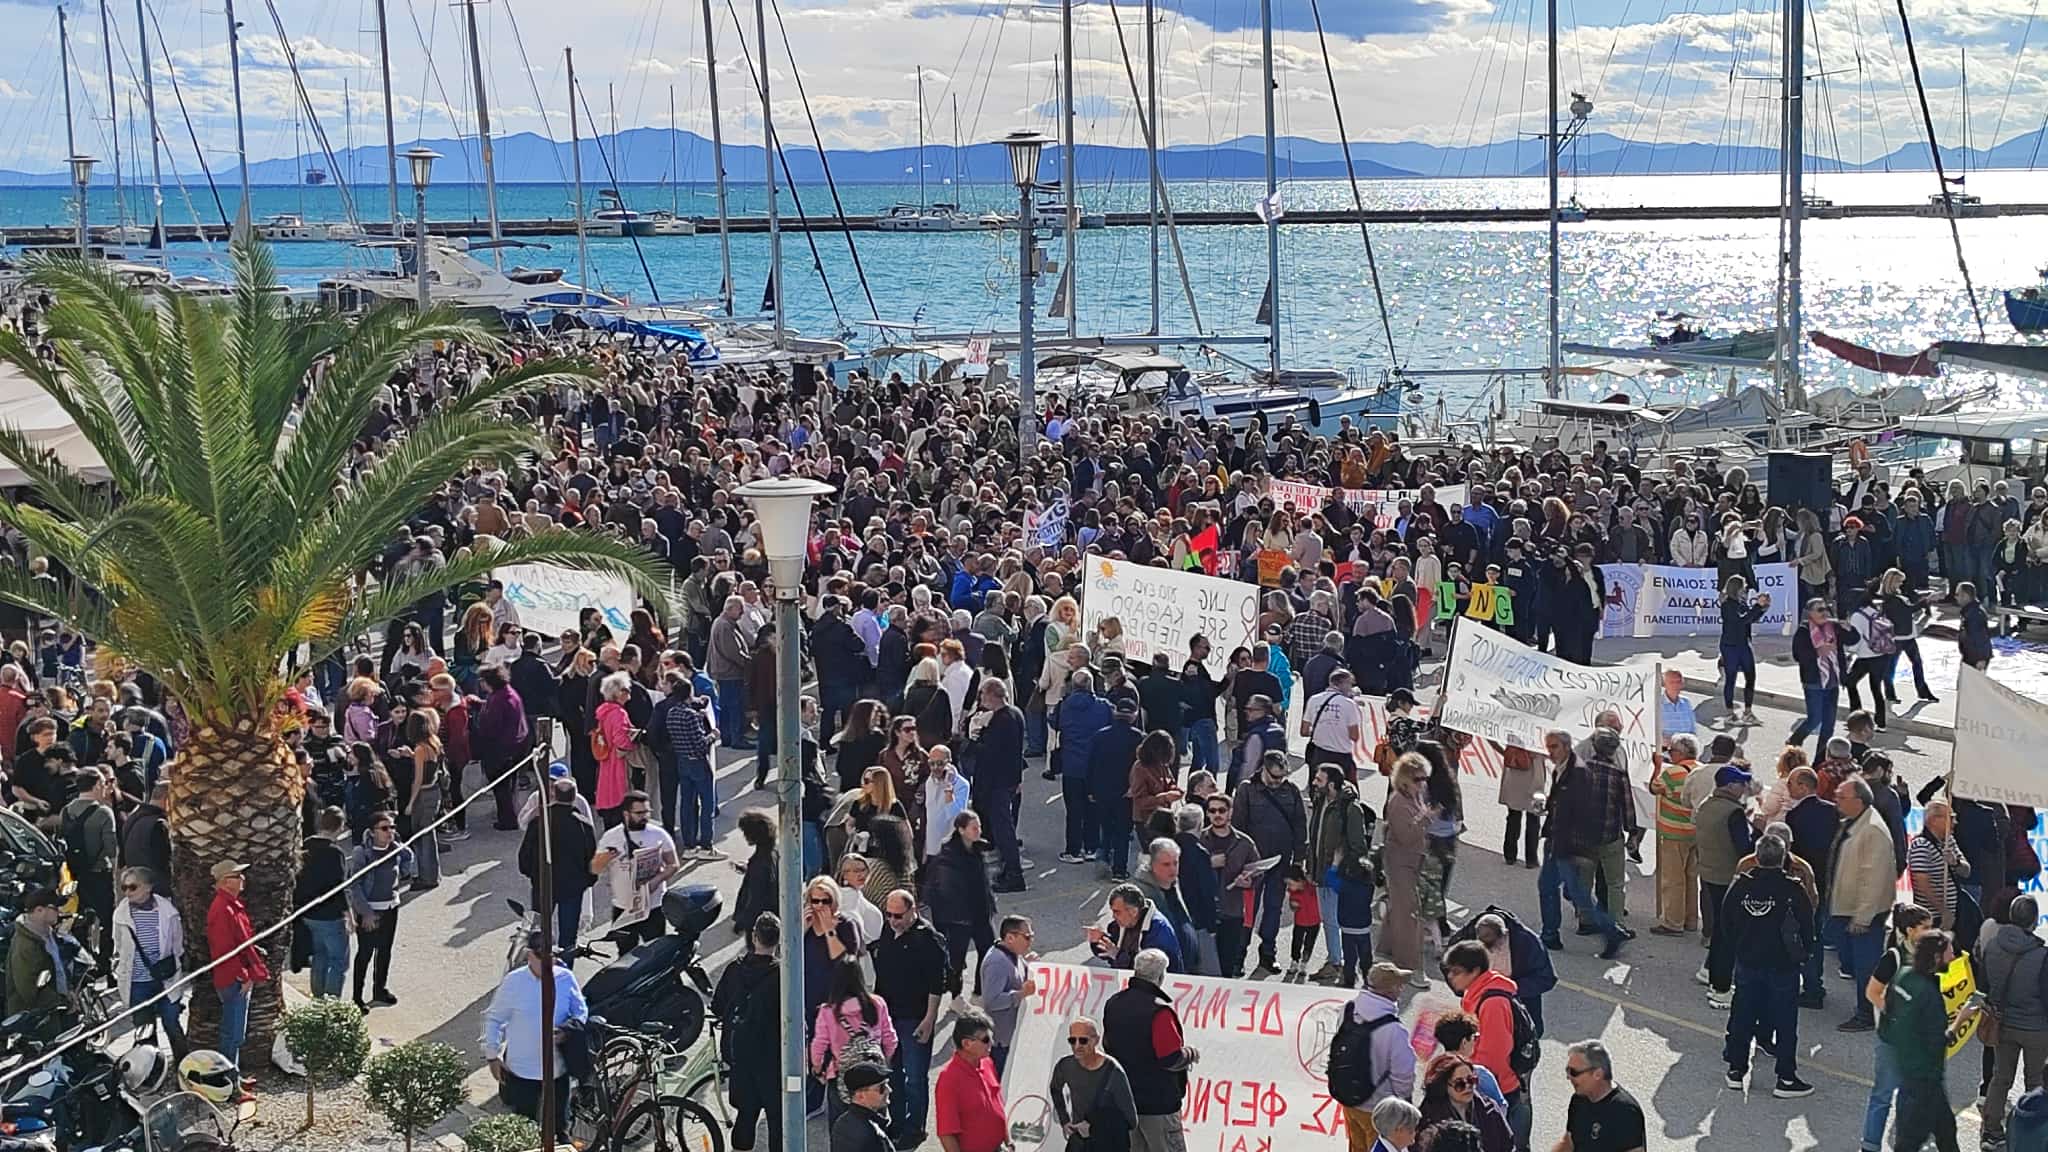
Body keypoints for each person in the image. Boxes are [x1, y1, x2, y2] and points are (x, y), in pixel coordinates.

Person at [1711, 834, 1815, 1098]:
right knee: (1785, 1021)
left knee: (1742, 1014)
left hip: (1748, 962)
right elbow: (1808, 926)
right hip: (1783, 966)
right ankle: (1785, 1077)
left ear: (1756, 858)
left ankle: (1735, 1069)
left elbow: (1725, 924)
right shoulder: (1793, 889)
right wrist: (1803, 955)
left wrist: (1741, 947)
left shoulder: (1740, 887)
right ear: (1783, 859)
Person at [482, 931, 589, 1134]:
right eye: (542, 956)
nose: (548, 962)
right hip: (522, 1071)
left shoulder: (565, 978)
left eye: (552, 956)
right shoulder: (514, 982)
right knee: (524, 1131)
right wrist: (492, 1055)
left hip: (557, 1070)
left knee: (560, 1130)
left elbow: (580, 1010)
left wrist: (567, 1031)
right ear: (529, 955)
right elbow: (494, 1018)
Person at [1880, 931, 1970, 1152]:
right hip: (1925, 1081)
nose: (1953, 957)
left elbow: (1887, 1022)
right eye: (1949, 952)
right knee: (1909, 1143)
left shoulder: (1903, 977)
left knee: (1946, 1130)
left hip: (1909, 1072)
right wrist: (1960, 1020)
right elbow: (1936, 1043)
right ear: (1936, 957)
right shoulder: (1928, 994)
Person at [1103, 948, 1199, 1152]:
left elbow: (1107, 1046)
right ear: (1161, 976)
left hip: (1126, 1101)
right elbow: (1170, 1058)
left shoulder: (1114, 1003)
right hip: (1158, 1103)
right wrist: (1190, 1053)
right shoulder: (1159, 1011)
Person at [872, 889, 948, 1146]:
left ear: (913, 910)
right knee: (892, 1074)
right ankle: (897, 1122)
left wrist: (929, 1019)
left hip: (915, 1018)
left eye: (898, 915)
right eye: (889, 915)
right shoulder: (887, 931)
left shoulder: (928, 939)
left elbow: (936, 984)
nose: (893, 920)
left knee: (915, 1077)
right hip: (889, 1018)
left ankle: (915, 1127)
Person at [1442, 941, 1531, 1148]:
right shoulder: (1476, 993)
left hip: (1497, 1088)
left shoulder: (1492, 1004)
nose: (1450, 977)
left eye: (1456, 972)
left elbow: (1493, 1056)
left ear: (1475, 971)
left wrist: (1468, 1079)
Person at [1978, 894, 2048, 1149]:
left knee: (2000, 1078)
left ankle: (1991, 1130)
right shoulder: (2041, 955)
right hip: (2036, 1029)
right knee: (2036, 1082)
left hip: (2003, 1024)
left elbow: (1983, 983)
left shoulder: (1993, 946)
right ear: (2034, 921)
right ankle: (2034, 1134)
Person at [711, 913, 783, 1152]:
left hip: (740, 1052)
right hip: (772, 1057)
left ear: (754, 937)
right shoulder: (782, 976)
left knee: (746, 1114)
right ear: (778, 941)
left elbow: (718, 1006)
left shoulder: (735, 970)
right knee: (776, 1119)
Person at [1327, 962, 1417, 1152]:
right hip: (1379, 1110)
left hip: (1349, 1099)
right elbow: (1404, 1075)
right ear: (1392, 989)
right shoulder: (1394, 1030)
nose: (1401, 988)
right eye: (1399, 984)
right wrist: (1402, 1107)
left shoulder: (1348, 1009)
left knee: (1356, 1147)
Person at [1832, 776, 1899, 1032]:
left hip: (1864, 915)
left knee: (1866, 966)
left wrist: (1862, 917)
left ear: (1859, 801)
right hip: (1849, 908)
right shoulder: (1855, 822)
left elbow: (1874, 877)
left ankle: (1867, 1013)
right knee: (1855, 962)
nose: (1836, 801)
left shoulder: (1871, 829)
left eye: (1842, 797)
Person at [1234, 748, 1307, 978]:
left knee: (1274, 909)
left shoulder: (1291, 791)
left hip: (1281, 863)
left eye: (1282, 777)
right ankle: (1239, 956)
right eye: (1274, 776)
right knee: (1247, 912)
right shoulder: (1247, 789)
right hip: (1254, 864)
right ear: (1263, 769)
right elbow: (1238, 827)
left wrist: (1299, 858)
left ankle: (1268, 954)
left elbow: (1299, 825)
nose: (1277, 782)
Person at [810, 956, 899, 1121]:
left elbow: (818, 1045)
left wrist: (817, 1068)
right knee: (876, 1125)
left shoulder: (828, 1011)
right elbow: (890, 1039)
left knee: (841, 1127)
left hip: (841, 1075)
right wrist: (884, 1061)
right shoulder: (877, 1003)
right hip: (874, 1076)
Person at [207, 861, 268, 1094]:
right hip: (233, 979)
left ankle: (233, 1077)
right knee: (233, 1033)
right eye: (237, 875)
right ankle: (229, 1084)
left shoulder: (229, 906)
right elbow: (225, 951)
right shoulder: (223, 909)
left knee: (234, 1032)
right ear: (225, 882)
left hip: (234, 977)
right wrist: (244, 976)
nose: (243, 878)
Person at [591, 790, 680, 949]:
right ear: (626, 813)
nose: (644, 816)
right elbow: (595, 868)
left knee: (656, 952)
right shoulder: (612, 836)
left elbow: (673, 864)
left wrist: (656, 881)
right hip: (623, 907)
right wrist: (606, 857)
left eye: (647, 812)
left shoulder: (658, 834)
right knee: (625, 956)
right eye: (639, 813)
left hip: (653, 906)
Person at [518, 778, 597, 954]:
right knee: (568, 938)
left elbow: (524, 856)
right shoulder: (583, 824)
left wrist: (533, 875)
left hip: (543, 885)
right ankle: (564, 971)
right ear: (574, 797)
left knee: (539, 932)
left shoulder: (539, 821)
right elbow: (592, 860)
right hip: (572, 887)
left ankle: (539, 967)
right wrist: (586, 882)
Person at [926, 811, 998, 998]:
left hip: (981, 914)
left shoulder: (977, 850)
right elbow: (944, 892)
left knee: (988, 953)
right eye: (974, 828)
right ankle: (955, 996)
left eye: (979, 827)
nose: (979, 831)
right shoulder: (947, 857)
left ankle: (979, 993)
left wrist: (990, 906)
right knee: (956, 960)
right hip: (960, 919)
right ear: (961, 830)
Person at [1049, 1016, 1138, 1152]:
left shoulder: (1113, 1071)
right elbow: (1055, 1088)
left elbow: (1131, 1120)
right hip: (1079, 1143)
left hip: (1107, 1144)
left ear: (1096, 1040)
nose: (1077, 1046)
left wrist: (1094, 1127)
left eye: (1083, 1040)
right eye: (1072, 1040)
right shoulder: (1065, 1066)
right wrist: (1065, 1120)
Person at [294, 807, 352, 1001]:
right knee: (338, 961)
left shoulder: (306, 845)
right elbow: (339, 887)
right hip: (330, 915)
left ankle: (318, 998)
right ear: (340, 827)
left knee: (320, 956)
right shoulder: (335, 853)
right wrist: (349, 916)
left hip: (309, 912)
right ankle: (332, 1001)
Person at [1694, 764, 1755, 948]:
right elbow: (1744, 847)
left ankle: (1708, 936)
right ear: (1729, 786)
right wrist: (1757, 831)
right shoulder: (1733, 812)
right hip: (1726, 873)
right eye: (1740, 783)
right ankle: (1720, 948)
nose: (1744, 787)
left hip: (1706, 868)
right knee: (1726, 914)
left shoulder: (1706, 804)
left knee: (1709, 905)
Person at [1382, 754, 1431, 978]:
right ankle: (1407, 965)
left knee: (1398, 908)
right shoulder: (1399, 802)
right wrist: (1424, 818)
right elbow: (1405, 835)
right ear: (1405, 779)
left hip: (1410, 860)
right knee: (1408, 912)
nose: (1423, 783)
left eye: (1424, 778)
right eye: (1418, 779)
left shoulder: (1412, 796)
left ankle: (1385, 950)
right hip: (1401, 861)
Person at [1200, 792, 1259, 978]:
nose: (1217, 814)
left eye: (1222, 810)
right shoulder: (1199, 839)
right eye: (1212, 811)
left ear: (1230, 813)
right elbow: (1185, 871)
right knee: (1202, 967)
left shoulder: (1244, 843)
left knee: (1227, 966)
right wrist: (1208, 863)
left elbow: (1257, 871)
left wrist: (1249, 882)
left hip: (1232, 911)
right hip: (1204, 912)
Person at [934, 1011, 1009, 1152]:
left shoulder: (987, 1063)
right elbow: (946, 1134)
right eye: (986, 1039)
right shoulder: (949, 1079)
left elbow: (998, 1104)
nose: (991, 1043)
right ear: (967, 1043)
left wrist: (1008, 1142)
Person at [1647, 735, 1699, 937]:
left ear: (1680, 753)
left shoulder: (1673, 773)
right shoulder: (1699, 770)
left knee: (1673, 879)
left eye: (1671, 751)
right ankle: (1691, 919)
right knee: (1691, 877)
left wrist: (1657, 767)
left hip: (1674, 832)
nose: (1670, 755)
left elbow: (1654, 788)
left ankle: (1673, 922)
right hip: (1694, 831)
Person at [1554, 1040, 1645, 1152]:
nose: (1568, 1077)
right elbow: (1569, 1141)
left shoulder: (1626, 1111)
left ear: (1597, 1074)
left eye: (1574, 1072)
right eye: (1567, 1070)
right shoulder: (1579, 1099)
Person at [1790, 598, 1852, 749]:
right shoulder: (1804, 631)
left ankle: (1820, 761)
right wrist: (1818, 652)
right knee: (1815, 719)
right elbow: (1798, 655)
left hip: (1833, 680)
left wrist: (1850, 629)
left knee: (1829, 724)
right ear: (1810, 613)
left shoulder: (1834, 627)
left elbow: (1852, 640)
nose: (1824, 612)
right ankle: (1793, 743)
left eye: (1826, 609)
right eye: (1819, 610)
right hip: (1814, 681)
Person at [978, 915, 1037, 1075]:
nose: (1030, 941)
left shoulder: (1013, 954)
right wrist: (1020, 994)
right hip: (1001, 1042)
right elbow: (992, 1001)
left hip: (1012, 1036)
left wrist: (1029, 966)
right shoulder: (996, 963)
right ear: (1010, 938)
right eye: (1027, 937)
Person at [1417, 1055, 1513, 1152]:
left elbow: (1508, 1145)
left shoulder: (1490, 1109)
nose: (1467, 1087)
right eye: (1459, 1084)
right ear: (1443, 1086)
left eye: (1471, 1080)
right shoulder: (1429, 1117)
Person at [1905, 799, 1970, 932]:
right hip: (1932, 917)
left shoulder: (1949, 841)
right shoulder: (1921, 845)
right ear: (1934, 820)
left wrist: (1955, 863)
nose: (1955, 822)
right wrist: (1944, 911)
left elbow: (1966, 871)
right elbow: (1922, 885)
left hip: (1952, 912)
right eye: (1951, 818)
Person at [6, 886, 66, 1013]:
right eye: (55, 908)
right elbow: (30, 989)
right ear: (39, 910)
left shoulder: (49, 934)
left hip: (57, 1010)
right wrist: (63, 1002)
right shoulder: (25, 946)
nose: (59, 912)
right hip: (36, 1019)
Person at [829, 1062, 897, 1152]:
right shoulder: (872, 1134)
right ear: (860, 1095)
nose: (889, 1090)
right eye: (882, 1087)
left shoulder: (840, 1124)